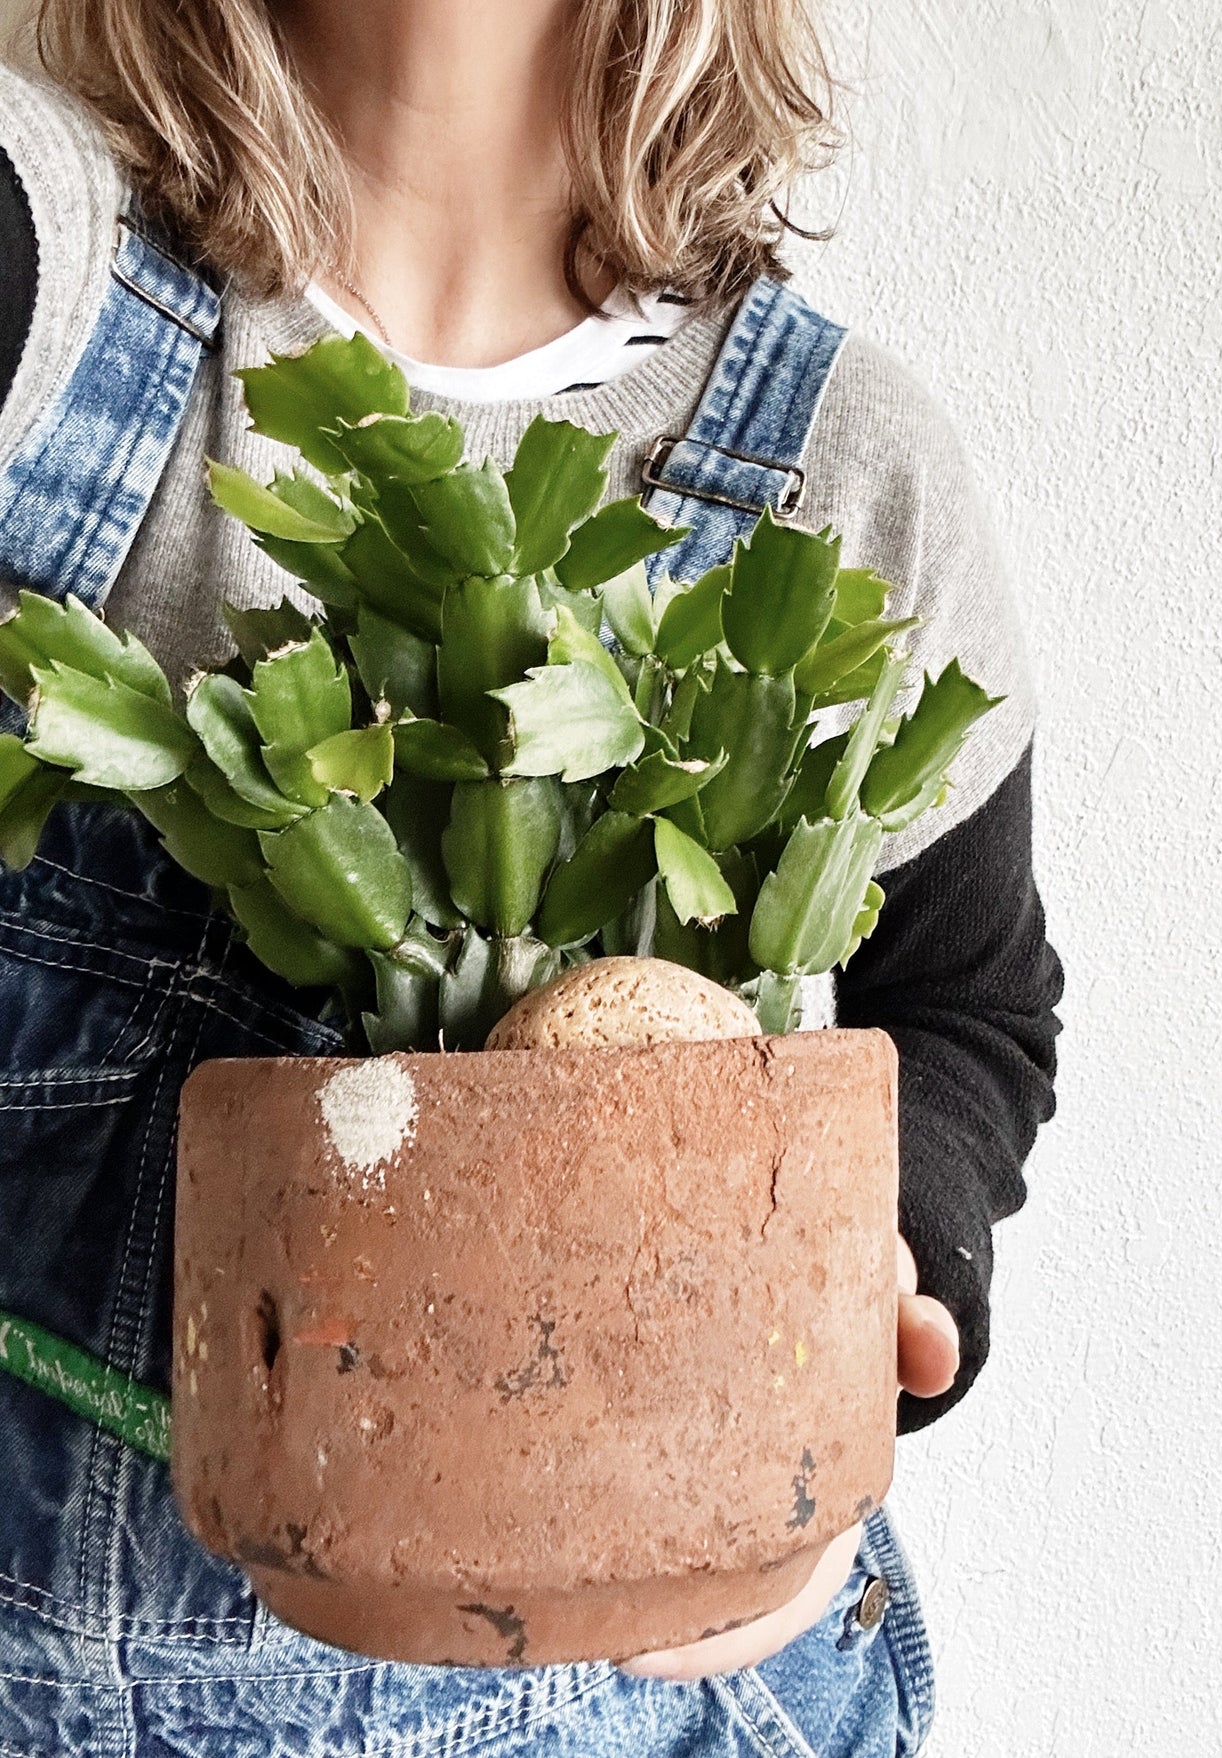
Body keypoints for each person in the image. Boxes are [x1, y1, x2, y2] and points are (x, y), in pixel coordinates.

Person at [0, 0, 1064, 1751]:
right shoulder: (49, 272)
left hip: (648, 1701)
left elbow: (966, 1009)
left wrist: (850, 1335)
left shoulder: (843, 464)